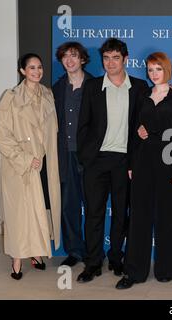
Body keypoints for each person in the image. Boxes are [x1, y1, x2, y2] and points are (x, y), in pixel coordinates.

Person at [76, 38, 148, 283]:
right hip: (97, 161)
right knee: (94, 214)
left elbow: (146, 122)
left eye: (115, 57)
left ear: (125, 59)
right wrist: (87, 157)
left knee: (121, 214)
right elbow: (83, 125)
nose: (110, 63)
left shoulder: (139, 87)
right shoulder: (93, 86)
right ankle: (93, 263)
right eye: (106, 58)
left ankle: (116, 257)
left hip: (124, 163)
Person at [115, 52, 172, 289]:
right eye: (150, 70)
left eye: (158, 69)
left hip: (169, 162)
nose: (153, 74)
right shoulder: (142, 95)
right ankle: (134, 271)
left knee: (167, 217)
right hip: (142, 161)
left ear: (167, 69)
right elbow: (133, 127)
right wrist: (131, 161)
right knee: (139, 217)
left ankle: (167, 269)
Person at [0, 53, 61, 280]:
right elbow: (1, 136)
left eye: (39, 67)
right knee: (19, 214)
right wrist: (24, 158)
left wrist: (45, 158)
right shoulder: (10, 98)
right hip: (19, 167)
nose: (37, 71)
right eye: (31, 67)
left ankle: (36, 252)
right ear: (22, 70)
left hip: (43, 163)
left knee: (40, 210)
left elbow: (52, 132)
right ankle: (17, 259)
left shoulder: (48, 95)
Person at [52, 41, 94, 267]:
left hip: (89, 156)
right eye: (65, 56)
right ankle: (75, 251)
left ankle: (94, 252)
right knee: (69, 206)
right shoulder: (57, 88)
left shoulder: (96, 85)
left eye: (74, 56)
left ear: (83, 59)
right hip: (65, 155)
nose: (69, 60)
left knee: (93, 206)